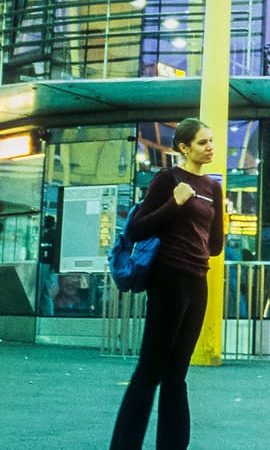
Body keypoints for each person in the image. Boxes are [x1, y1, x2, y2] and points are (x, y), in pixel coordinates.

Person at [111, 118, 223, 450]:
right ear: (184, 148)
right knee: (149, 370)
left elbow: (215, 246)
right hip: (168, 279)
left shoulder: (214, 188)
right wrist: (175, 203)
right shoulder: (166, 179)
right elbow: (136, 230)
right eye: (203, 142)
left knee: (177, 375)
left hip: (197, 282)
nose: (210, 147)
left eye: (212, 141)